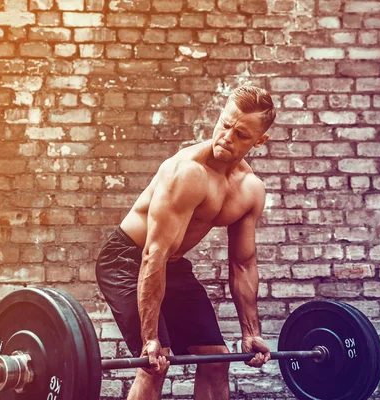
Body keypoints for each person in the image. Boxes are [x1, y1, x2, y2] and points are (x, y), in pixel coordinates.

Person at [95, 85, 276, 400]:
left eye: (242, 135)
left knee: (217, 358)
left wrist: (251, 333)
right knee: (155, 363)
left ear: (259, 141)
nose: (227, 137)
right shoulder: (188, 172)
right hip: (126, 259)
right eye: (225, 125)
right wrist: (150, 337)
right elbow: (154, 254)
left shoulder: (250, 190)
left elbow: (243, 264)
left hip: (172, 265)